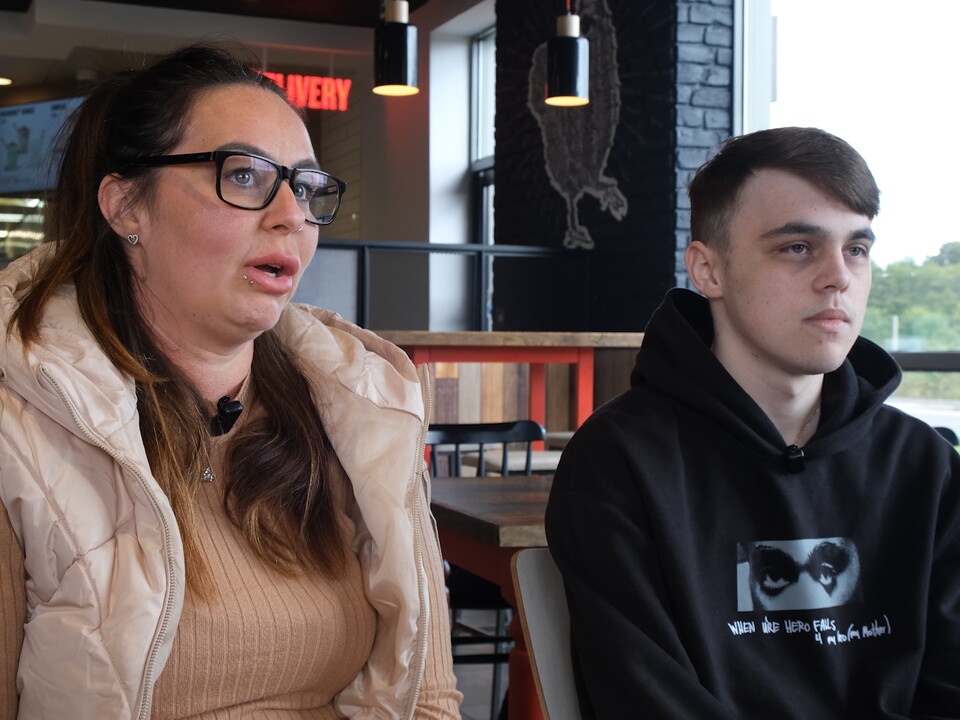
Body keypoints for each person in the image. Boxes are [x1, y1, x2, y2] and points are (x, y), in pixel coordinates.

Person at [0, 43, 461, 719]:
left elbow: (428, 699)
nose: (291, 216)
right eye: (245, 176)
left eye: (305, 188)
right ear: (127, 205)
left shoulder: (359, 411)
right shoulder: (20, 423)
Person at [546, 127, 960, 718]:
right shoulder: (621, 463)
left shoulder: (926, 465)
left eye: (857, 249)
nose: (838, 277)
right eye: (797, 247)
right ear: (708, 270)